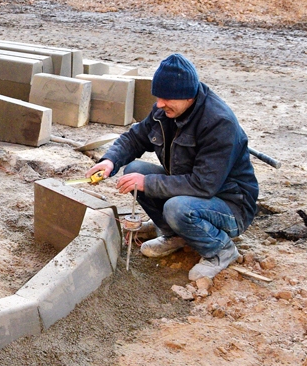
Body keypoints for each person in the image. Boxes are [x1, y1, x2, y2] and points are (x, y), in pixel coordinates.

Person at [87, 54, 259, 280]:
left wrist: (147, 183)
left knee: (176, 207)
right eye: (158, 97)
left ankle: (221, 251)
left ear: (188, 96)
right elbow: (135, 139)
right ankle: (173, 235)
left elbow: (203, 185)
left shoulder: (219, 123)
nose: (159, 104)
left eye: (166, 98)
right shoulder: (166, 111)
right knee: (133, 171)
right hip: (195, 192)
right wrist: (110, 160)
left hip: (230, 204)